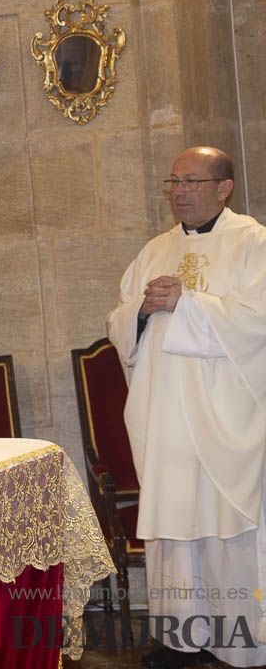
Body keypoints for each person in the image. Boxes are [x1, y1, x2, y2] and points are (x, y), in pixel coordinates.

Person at [106, 146, 266, 669]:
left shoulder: (253, 243)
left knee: (226, 525)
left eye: (192, 181)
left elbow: (256, 321)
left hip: (225, 417)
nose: (179, 192)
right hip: (166, 415)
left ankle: (240, 645)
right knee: (175, 523)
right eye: (174, 181)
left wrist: (188, 303)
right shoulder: (154, 249)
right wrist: (143, 311)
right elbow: (118, 320)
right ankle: (181, 640)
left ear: (224, 187)